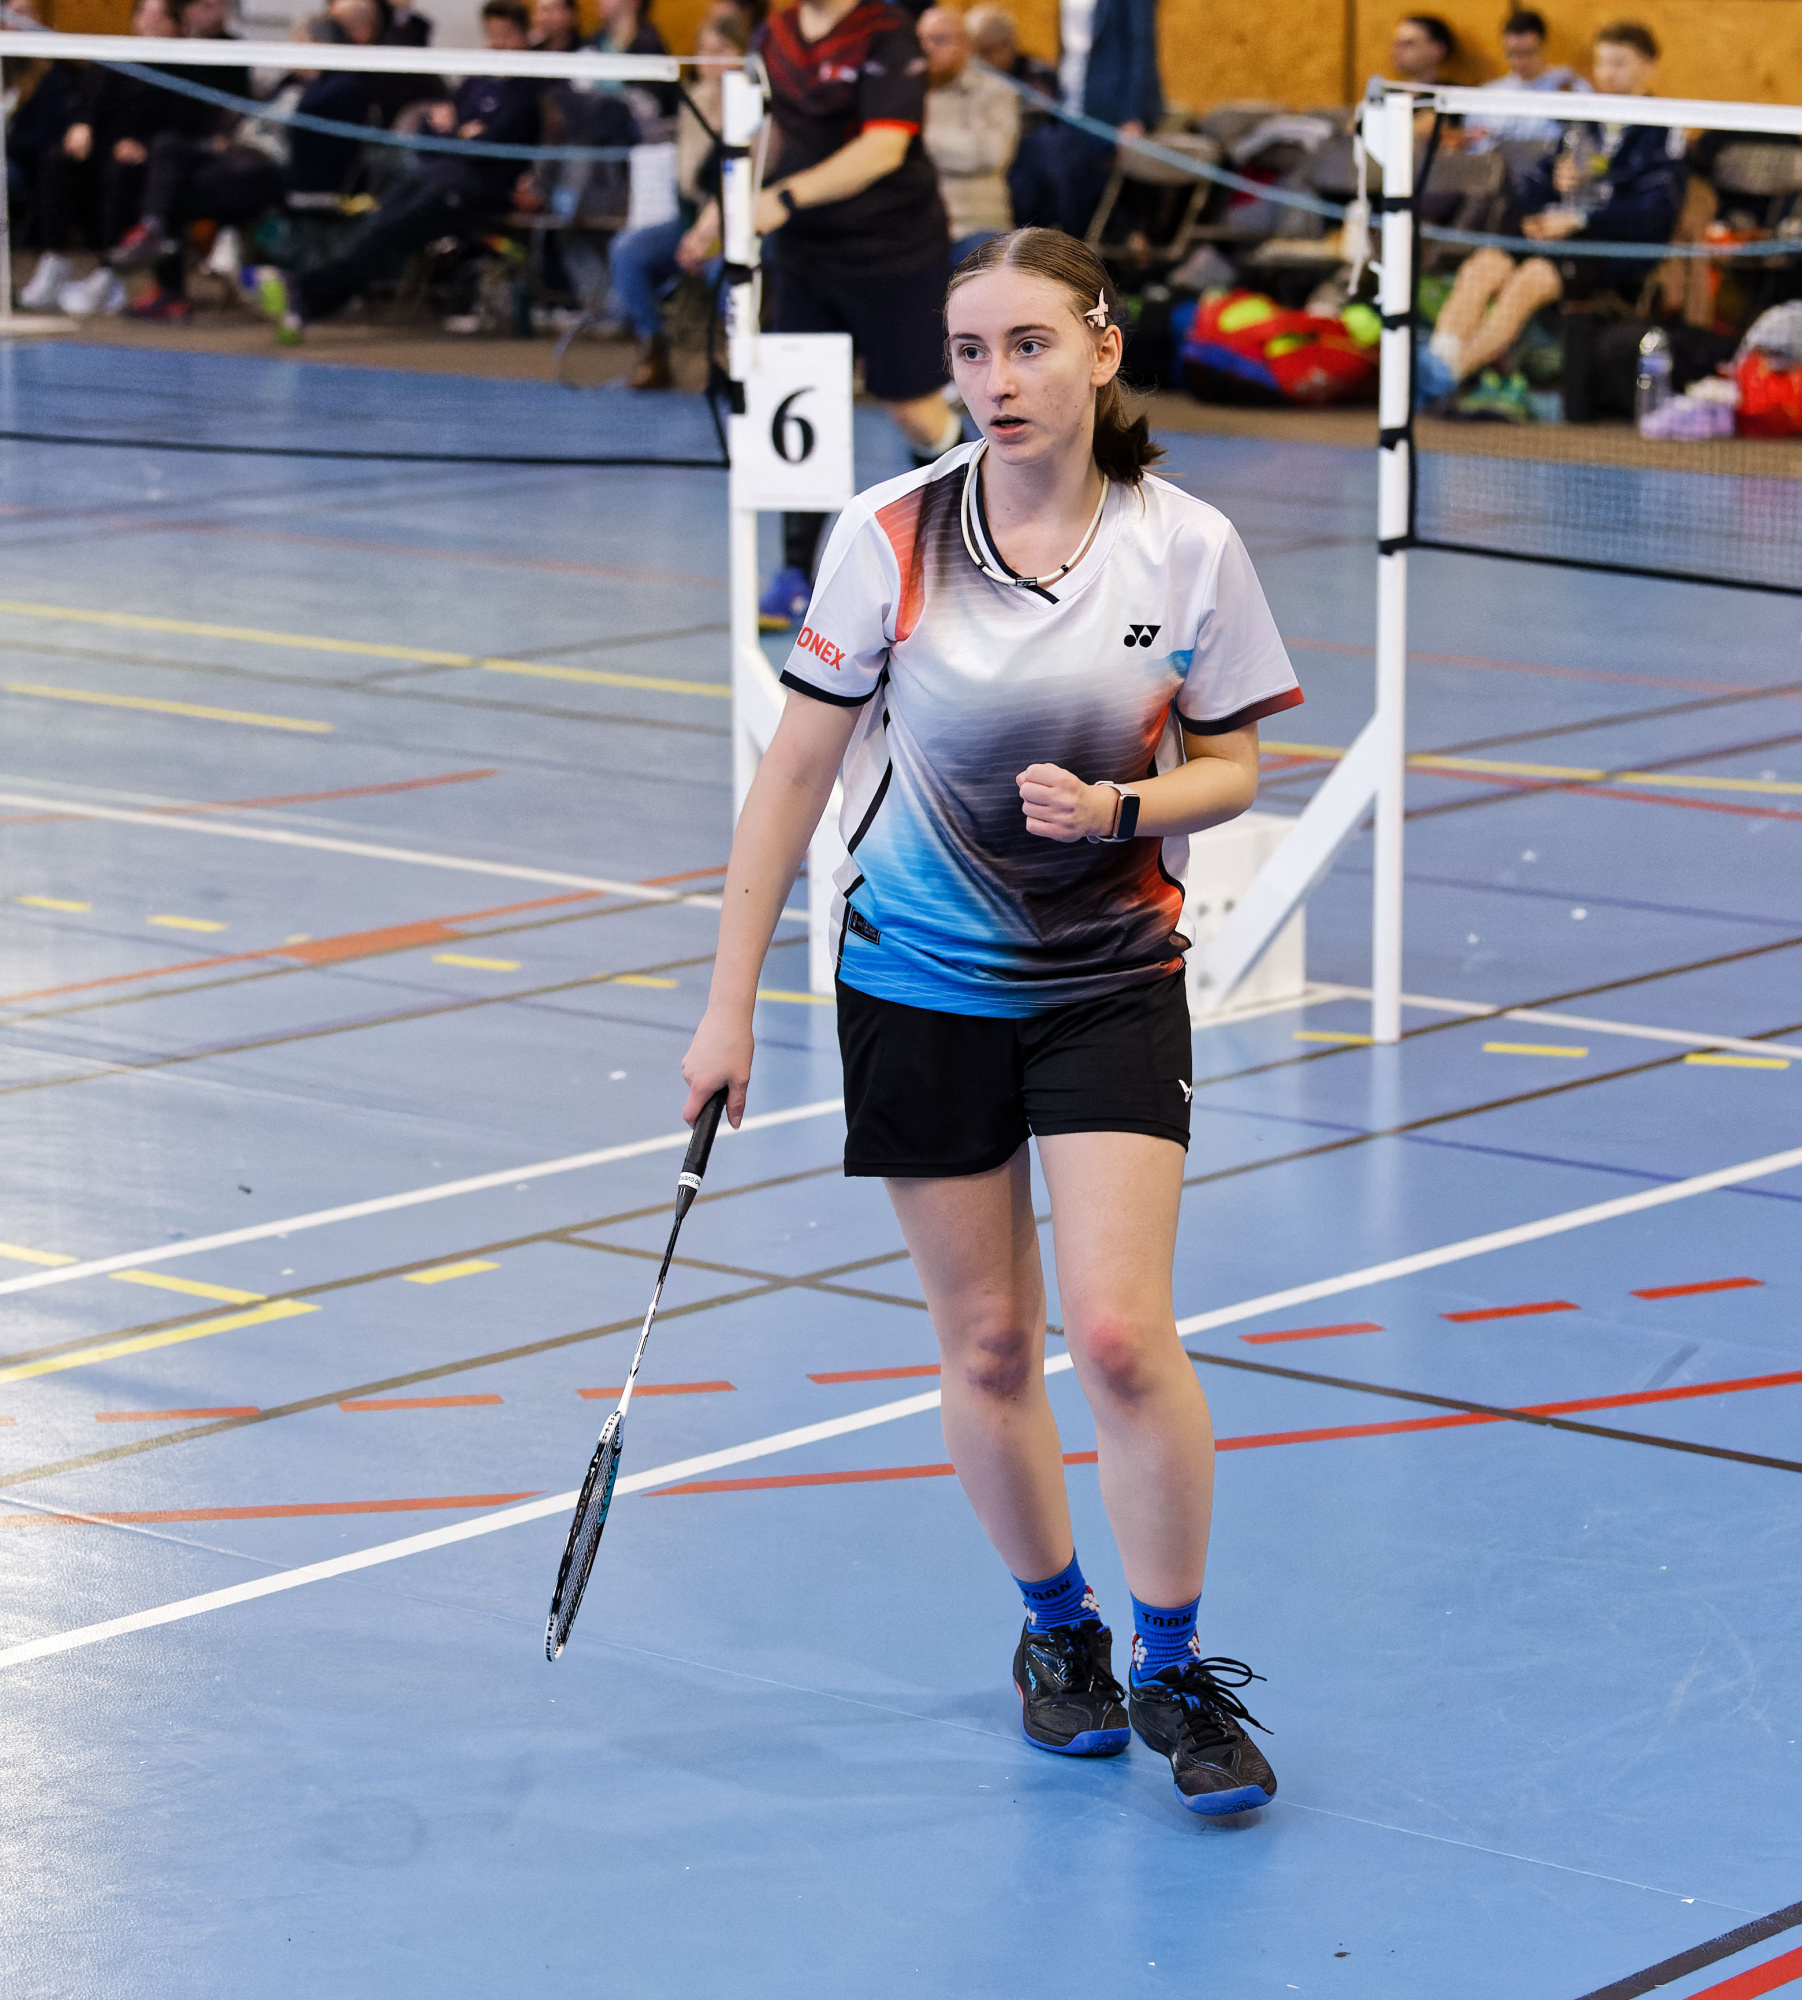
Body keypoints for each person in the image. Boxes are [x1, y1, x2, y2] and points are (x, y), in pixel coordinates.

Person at [679, 226, 1301, 1816]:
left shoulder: (1185, 547)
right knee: (986, 1342)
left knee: (1119, 1335)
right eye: (969, 351)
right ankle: (1056, 1631)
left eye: (1028, 344)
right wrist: (726, 1005)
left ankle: (1175, 1667)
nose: (995, 380)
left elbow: (1235, 769)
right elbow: (792, 779)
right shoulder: (888, 533)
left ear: (1100, 347)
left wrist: (1120, 808)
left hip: (1107, 980)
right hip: (916, 984)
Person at [678, 0, 962, 632]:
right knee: (799, 407)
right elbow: (764, 135)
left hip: (894, 248)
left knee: (915, 412)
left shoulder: (885, 33)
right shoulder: (774, 35)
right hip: (807, 255)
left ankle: (960, 546)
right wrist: (719, 211)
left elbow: (884, 147)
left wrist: (785, 197)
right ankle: (794, 576)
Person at [255, 0, 541, 338]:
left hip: (474, 188)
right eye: (493, 34)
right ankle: (305, 295)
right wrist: (456, 133)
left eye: (508, 34)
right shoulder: (476, 78)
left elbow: (491, 142)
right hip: (433, 173)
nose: (499, 43)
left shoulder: (529, 88)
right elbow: (430, 127)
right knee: (375, 226)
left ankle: (306, 296)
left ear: (526, 36)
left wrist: (453, 132)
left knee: (390, 237)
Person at [1429, 19, 1685, 387]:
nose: (1607, 74)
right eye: (1601, 63)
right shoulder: (1584, 122)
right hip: (1554, 238)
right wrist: (1539, 205)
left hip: (1608, 249)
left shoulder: (1664, 129)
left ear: (1650, 65)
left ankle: (1448, 377)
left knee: (1529, 280)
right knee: (1484, 266)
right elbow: (1535, 185)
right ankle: (1437, 359)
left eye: (1619, 63)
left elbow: (1653, 213)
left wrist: (1581, 221)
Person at [593, 4, 742, 389]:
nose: (709, 60)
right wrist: (692, 233)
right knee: (628, 251)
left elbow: (746, 185)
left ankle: (738, 361)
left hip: (746, 222)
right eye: (703, 50)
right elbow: (686, 184)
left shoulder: (757, 105)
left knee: (724, 270)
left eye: (721, 51)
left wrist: (706, 237)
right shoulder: (694, 102)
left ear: (744, 55)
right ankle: (654, 348)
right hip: (696, 220)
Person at [19, 0, 181, 316]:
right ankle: (54, 260)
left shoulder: (184, 64)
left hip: (147, 156)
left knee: (120, 172)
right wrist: (81, 124)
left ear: (175, 24)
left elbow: (185, 122)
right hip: (103, 145)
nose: (149, 22)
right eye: (144, 13)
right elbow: (88, 99)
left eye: (159, 16)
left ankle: (109, 272)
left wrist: (144, 145)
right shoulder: (117, 58)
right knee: (56, 159)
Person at [1051, 0, 1161, 239]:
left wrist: (1132, 116)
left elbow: (1141, 46)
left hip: (1110, 114)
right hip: (1069, 106)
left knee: (1086, 188)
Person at [918, 6, 1018, 265]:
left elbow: (991, 154)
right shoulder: (904, 91)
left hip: (972, 225)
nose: (927, 48)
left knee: (984, 261)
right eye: (921, 40)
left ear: (965, 45)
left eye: (939, 39)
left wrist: (916, 140)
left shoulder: (994, 91)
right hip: (912, 228)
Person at [965, 3, 1061, 231]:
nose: (979, 60)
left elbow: (1053, 124)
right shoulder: (967, 78)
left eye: (986, 51)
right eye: (973, 51)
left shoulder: (1038, 76)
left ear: (1009, 46)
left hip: (1029, 161)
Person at [1465, 8, 1588, 149]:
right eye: (1513, 53)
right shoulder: (1489, 95)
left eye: (1528, 52)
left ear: (1543, 47)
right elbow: (1471, 144)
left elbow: (1584, 136)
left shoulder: (1567, 85)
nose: (1520, 61)